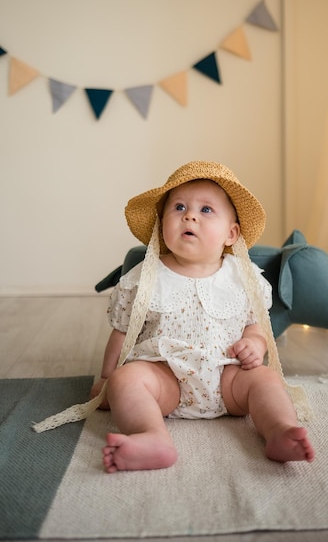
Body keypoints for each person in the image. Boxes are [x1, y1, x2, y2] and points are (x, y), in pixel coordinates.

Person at [89, 160, 315, 473]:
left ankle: (278, 430)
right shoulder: (146, 277)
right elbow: (122, 333)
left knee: (265, 379)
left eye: (206, 210)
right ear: (161, 224)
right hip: (165, 379)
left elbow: (256, 324)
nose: (190, 215)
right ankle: (151, 436)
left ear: (231, 234)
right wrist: (106, 378)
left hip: (230, 379)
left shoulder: (244, 276)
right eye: (179, 207)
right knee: (125, 380)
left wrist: (255, 343)